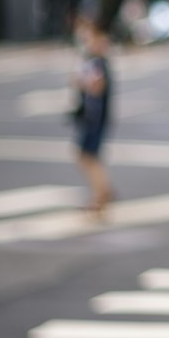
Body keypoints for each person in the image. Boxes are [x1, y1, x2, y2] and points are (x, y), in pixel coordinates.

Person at [70, 12, 114, 212]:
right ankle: (103, 191)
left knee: (87, 156)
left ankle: (101, 195)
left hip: (94, 116)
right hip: (93, 115)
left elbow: (97, 86)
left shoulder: (97, 60)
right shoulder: (93, 58)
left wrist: (81, 82)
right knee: (89, 156)